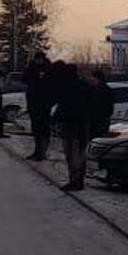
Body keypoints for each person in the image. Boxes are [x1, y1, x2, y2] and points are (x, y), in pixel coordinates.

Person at [52, 61, 91, 189]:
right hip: (81, 124)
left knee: (72, 154)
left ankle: (74, 180)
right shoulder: (84, 86)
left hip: (69, 124)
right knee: (79, 153)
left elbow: (61, 106)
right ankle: (79, 180)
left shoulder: (64, 87)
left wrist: (56, 119)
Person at [23, 53, 53, 161]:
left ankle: (42, 152)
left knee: (43, 129)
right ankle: (37, 150)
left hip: (44, 104)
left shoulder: (48, 69)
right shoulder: (32, 68)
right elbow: (24, 79)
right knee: (36, 129)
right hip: (33, 103)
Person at [88, 67, 117, 143]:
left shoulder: (98, 90)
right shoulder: (106, 89)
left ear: (97, 78)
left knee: (97, 139)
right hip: (105, 118)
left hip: (98, 119)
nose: (92, 80)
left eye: (93, 78)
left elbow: (95, 104)